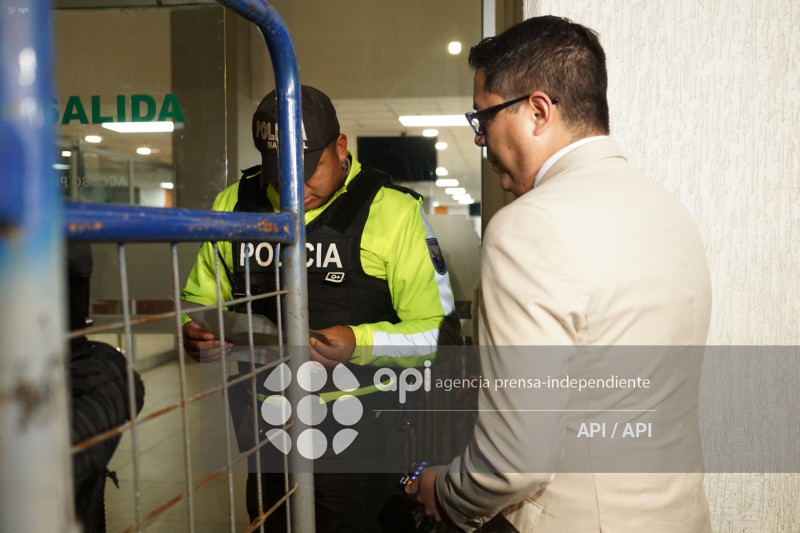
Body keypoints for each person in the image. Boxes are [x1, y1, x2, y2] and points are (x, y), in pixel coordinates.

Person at [406, 16, 712, 532]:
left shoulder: (527, 227)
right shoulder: (671, 211)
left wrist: (448, 491)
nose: (480, 139)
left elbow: (513, 462)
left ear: (538, 110)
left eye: (483, 117)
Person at [181, 85, 458, 532]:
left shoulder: (393, 212)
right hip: (267, 439)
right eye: (279, 172)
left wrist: (359, 342)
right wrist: (195, 334)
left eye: (309, 169)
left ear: (341, 147)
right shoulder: (235, 204)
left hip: (365, 450)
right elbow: (200, 300)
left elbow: (436, 334)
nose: (294, 186)